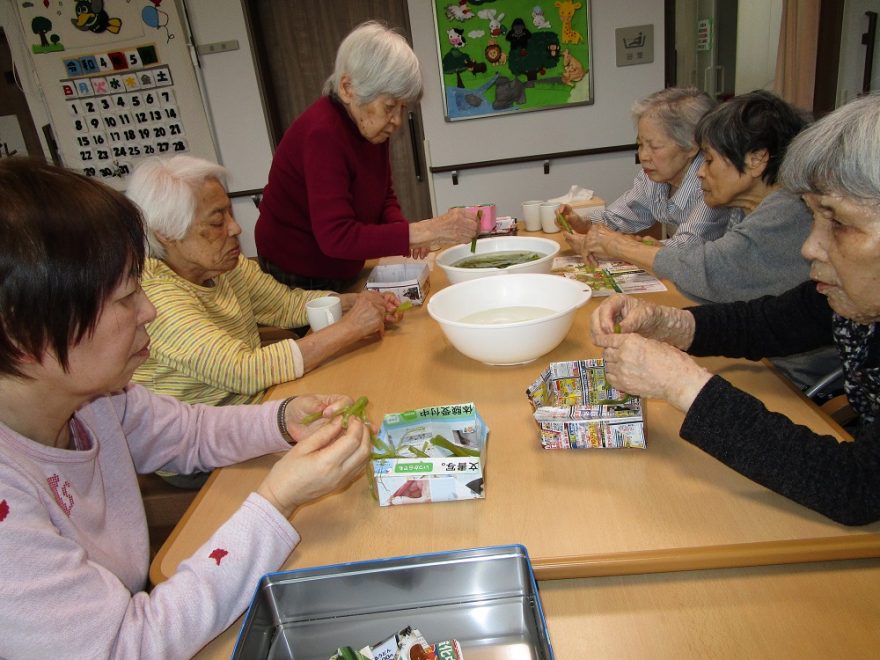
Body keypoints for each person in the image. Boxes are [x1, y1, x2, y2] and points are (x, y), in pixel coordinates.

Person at [0, 158, 372, 657]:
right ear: (27, 333)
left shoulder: (96, 399)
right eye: (126, 297)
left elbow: (190, 432)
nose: (148, 310)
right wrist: (277, 500)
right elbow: (127, 644)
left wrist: (284, 418)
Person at [589, 93, 880, 526]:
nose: (809, 246)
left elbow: (856, 489)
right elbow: (766, 322)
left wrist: (682, 383)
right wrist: (666, 322)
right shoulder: (846, 301)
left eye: (837, 221)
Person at [128, 155, 402, 408]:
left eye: (230, 214)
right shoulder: (155, 299)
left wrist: (352, 302)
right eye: (216, 222)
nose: (235, 228)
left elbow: (285, 305)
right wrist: (351, 327)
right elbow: (243, 370)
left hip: (255, 410)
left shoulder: (224, 267)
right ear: (166, 233)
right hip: (202, 451)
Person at [255, 21, 479, 291]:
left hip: (340, 266)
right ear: (348, 88)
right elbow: (336, 236)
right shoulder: (323, 133)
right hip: (299, 274)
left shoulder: (369, 125)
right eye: (388, 107)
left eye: (401, 108)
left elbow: (383, 195)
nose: (396, 121)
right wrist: (425, 231)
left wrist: (405, 235)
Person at [574, 90, 813, 304]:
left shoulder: (788, 209)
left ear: (756, 160)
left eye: (708, 160)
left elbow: (710, 268)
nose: (701, 171)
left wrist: (619, 246)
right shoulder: (743, 204)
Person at [557, 87, 731, 250]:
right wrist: (583, 224)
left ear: (691, 147)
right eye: (640, 144)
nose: (644, 156)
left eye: (654, 146)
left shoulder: (711, 182)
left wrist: (620, 247)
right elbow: (620, 216)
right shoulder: (654, 176)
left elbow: (687, 248)